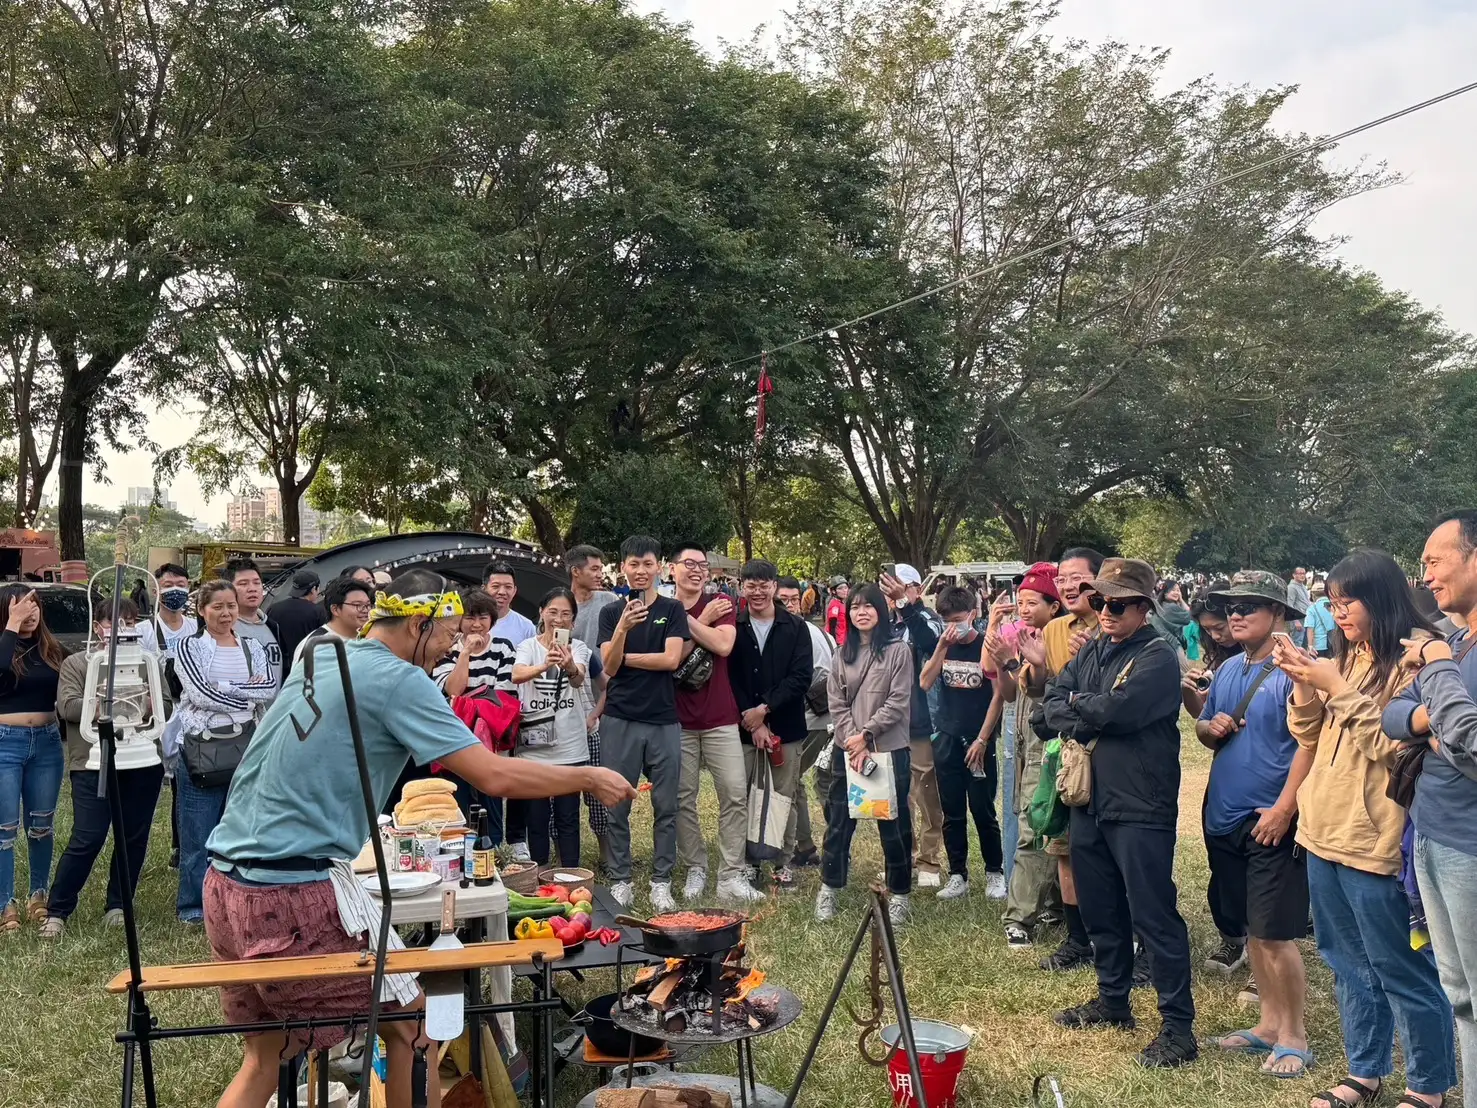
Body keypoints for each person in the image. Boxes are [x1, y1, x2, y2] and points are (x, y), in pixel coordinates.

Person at [202, 569, 635, 1108]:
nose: (452, 648)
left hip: (223, 883)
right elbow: (493, 776)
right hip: (289, 891)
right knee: (412, 1026)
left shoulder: (319, 651)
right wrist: (588, 776)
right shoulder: (398, 679)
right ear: (417, 622)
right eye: (447, 633)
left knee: (265, 1055)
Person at [1276, 549, 1456, 1108]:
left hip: (1375, 841)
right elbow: (1307, 733)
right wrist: (1306, 682)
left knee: (1401, 968)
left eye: (1348, 601)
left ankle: (1428, 1086)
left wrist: (1336, 686)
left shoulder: (1416, 659)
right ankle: (1365, 1072)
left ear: (1379, 597)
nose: (1340, 613)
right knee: (1345, 963)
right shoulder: (1348, 655)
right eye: (1332, 602)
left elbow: (1391, 744)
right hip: (1322, 831)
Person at [1041, 558, 1197, 1068]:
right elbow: (1047, 708)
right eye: (1101, 600)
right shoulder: (1095, 652)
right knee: (1100, 907)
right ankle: (1113, 1001)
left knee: (1153, 915)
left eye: (1119, 603)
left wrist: (1081, 706)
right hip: (1091, 802)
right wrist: (1087, 703)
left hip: (1140, 804)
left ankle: (1178, 1028)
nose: (1106, 611)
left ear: (1144, 607)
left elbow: (1118, 711)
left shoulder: (1157, 656)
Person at [1195, 572, 1314, 1077]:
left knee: (1274, 934)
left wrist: (1285, 808)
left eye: (1250, 605)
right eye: (1231, 606)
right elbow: (1206, 726)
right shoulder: (1227, 669)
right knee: (1251, 931)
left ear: (1280, 613)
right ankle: (1267, 1024)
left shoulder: (1299, 670)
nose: (1235, 614)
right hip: (1225, 817)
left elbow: (1312, 744)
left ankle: (1294, 1035)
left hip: (1270, 820)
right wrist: (1208, 725)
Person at [1385, 510, 1477, 1106]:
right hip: (1434, 833)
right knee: (1459, 992)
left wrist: (1437, 665)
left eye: (1435, 560)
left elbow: (1468, 738)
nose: (1426, 575)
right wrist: (1430, 720)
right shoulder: (1458, 639)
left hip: (1471, 845)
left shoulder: (1446, 648)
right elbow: (1394, 714)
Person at [43, 600, 166, 937]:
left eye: (129, 621)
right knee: (88, 836)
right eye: (113, 621)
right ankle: (58, 910)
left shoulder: (146, 662)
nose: (121, 627)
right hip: (92, 761)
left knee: (133, 836)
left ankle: (118, 904)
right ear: (98, 626)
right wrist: (110, 705)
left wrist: (145, 703)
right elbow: (68, 706)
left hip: (141, 761)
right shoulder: (78, 664)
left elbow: (163, 703)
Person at [173, 580, 276, 925]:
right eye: (217, 606)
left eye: (230, 605)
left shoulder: (251, 647)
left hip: (247, 745)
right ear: (202, 610)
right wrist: (243, 695)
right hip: (203, 746)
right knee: (197, 832)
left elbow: (267, 689)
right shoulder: (188, 646)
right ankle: (193, 907)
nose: (226, 612)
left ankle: (234, 898)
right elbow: (200, 695)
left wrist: (227, 688)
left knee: (240, 830)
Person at [598, 536, 692, 910]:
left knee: (666, 804)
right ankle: (621, 878)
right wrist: (622, 629)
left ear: (659, 567)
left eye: (647, 564)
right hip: (620, 717)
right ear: (622, 567)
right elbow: (607, 667)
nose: (640, 571)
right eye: (633, 564)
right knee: (616, 802)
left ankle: (661, 880)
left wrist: (625, 657)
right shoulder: (610, 613)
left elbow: (671, 661)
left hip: (663, 719)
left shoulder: (672, 609)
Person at [818, 583, 915, 926]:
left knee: (894, 825)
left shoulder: (898, 651)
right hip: (849, 752)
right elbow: (837, 704)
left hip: (887, 751)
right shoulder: (841, 654)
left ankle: (900, 893)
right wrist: (852, 740)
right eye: (855, 607)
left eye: (869, 606)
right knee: (839, 823)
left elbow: (898, 701)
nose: (862, 612)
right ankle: (829, 888)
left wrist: (867, 734)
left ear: (882, 611)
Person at [668, 544, 758, 904]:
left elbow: (723, 646)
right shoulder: (662, 609)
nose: (696, 570)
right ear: (671, 569)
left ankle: (732, 874)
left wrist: (687, 620)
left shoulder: (722, 602)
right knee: (681, 798)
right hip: (677, 720)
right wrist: (698, 620)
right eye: (688, 563)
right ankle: (695, 867)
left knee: (735, 794)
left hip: (721, 716)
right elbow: (670, 659)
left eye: (702, 565)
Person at [1037, 547, 1104, 972]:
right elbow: (1048, 698)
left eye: (1076, 576)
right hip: (1066, 752)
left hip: (1108, 755)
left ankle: (1123, 938)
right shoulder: (1054, 629)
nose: (1066, 585)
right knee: (1064, 848)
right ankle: (1078, 939)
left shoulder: (1120, 626)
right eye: (1061, 578)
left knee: (1114, 852)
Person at [988, 564, 1063, 948]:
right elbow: (1010, 692)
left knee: (1038, 827)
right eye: (1020, 602)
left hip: (1047, 745)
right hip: (1022, 743)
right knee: (1029, 818)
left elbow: (1047, 691)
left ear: (1054, 606)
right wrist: (1005, 659)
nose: (1024, 609)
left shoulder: (1059, 639)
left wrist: (1019, 662)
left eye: (1032, 602)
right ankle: (1050, 904)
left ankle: (1020, 917)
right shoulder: (1023, 636)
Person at [729, 559, 813, 892]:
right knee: (744, 794)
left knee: (782, 796)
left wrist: (764, 710)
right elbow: (729, 677)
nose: (758, 591)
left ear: (775, 587)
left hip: (785, 725)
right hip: (743, 726)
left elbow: (801, 677)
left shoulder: (795, 627)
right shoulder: (734, 625)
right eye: (751, 584)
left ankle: (782, 862)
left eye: (765, 584)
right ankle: (749, 864)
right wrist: (751, 719)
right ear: (741, 587)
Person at [920, 584, 1004, 901]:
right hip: (947, 736)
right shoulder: (944, 645)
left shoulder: (986, 646)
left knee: (982, 809)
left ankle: (994, 872)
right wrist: (941, 646)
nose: (952, 626)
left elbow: (998, 697)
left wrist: (983, 739)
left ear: (972, 614)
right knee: (952, 810)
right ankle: (958, 874)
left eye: (957, 619)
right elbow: (925, 682)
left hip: (979, 738)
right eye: (946, 621)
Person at [0, 586, 66, 934]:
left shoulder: (52, 650)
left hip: (47, 743)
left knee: (41, 825)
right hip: (4, 743)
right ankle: (3, 904)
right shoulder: (4, 646)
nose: (31, 611)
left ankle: (37, 895)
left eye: (35, 604)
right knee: (3, 829)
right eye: (22, 606)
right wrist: (11, 626)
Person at [510, 588, 590, 866]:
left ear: (573, 621)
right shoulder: (527, 646)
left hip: (570, 747)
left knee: (568, 816)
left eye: (566, 614)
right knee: (536, 817)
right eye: (553, 612)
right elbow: (517, 675)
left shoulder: (578, 647)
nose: (559, 619)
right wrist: (543, 665)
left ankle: (571, 874)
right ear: (542, 612)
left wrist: (568, 666)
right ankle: (540, 873)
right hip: (534, 748)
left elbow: (578, 680)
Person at [432, 588, 516, 844]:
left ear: (492, 619)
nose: (476, 624)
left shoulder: (503, 648)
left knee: (491, 795)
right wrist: (465, 653)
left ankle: (494, 852)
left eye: (483, 617)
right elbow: (452, 689)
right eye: (469, 618)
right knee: (459, 798)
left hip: (490, 738)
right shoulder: (447, 648)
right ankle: (462, 852)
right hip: (455, 737)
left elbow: (505, 697)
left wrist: (466, 703)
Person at [880, 565, 944, 888]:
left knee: (927, 792)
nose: (892, 594)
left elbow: (932, 644)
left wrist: (906, 608)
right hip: (889, 722)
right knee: (895, 793)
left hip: (921, 721)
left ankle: (929, 860)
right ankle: (900, 857)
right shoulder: (883, 624)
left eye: (900, 587)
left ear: (916, 588)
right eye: (887, 587)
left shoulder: (927, 618)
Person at [776, 576, 834, 869]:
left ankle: (809, 847)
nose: (788, 605)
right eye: (783, 599)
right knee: (797, 781)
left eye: (792, 599)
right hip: (825, 718)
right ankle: (807, 845)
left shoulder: (800, 633)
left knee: (792, 781)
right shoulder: (819, 632)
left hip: (811, 720)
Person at [567, 545, 619, 869]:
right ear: (576, 571)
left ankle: (607, 850)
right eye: (595, 569)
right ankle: (564, 854)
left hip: (599, 702)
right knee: (562, 787)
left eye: (601, 569)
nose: (601, 574)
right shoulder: (558, 604)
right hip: (562, 710)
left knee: (599, 784)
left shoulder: (610, 603)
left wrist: (598, 711)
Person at [221, 559, 283, 691]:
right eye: (243, 584)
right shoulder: (222, 629)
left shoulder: (273, 627)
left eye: (257, 583)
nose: (252, 589)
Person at [292, 576, 373, 667]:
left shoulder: (369, 637)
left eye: (368, 605)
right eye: (357, 605)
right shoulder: (317, 645)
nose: (366, 610)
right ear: (335, 609)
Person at [267, 569, 324, 676]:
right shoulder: (318, 611)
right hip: (306, 670)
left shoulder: (273, 609)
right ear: (313, 589)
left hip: (277, 668)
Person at [139, 562, 198, 654]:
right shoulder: (142, 632)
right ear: (156, 592)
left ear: (188, 590)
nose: (175, 590)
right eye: (168, 586)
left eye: (181, 585)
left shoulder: (197, 628)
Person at [483, 560, 538, 646]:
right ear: (484, 589)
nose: (502, 592)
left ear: (514, 591)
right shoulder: (472, 623)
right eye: (496, 586)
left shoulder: (526, 627)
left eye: (508, 587)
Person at [1306, 583, 1337, 658]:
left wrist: (1310, 646)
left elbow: (1310, 629)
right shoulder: (1335, 606)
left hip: (1318, 646)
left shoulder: (1312, 609)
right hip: (1335, 643)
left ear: (1313, 594)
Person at [1288, 566, 1312, 649]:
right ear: (1294, 575)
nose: (1302, 576)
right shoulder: (1291, 587)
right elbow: (1289, 604)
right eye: (1300, 573)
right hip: (1298, 620)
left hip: (1306, 619)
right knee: (1297, 643)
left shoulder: (1302, 586)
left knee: (1305, 644)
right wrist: (1295, 621)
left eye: (1304, 573)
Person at [824, 577, 849, 646]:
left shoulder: (841, 603)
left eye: (845, 587)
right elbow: (832, 624)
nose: (844, 590)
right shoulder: (835, 604)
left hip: (843, 639)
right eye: (840, 588)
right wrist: (834, 642)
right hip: (837, 641)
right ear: (834, 591)